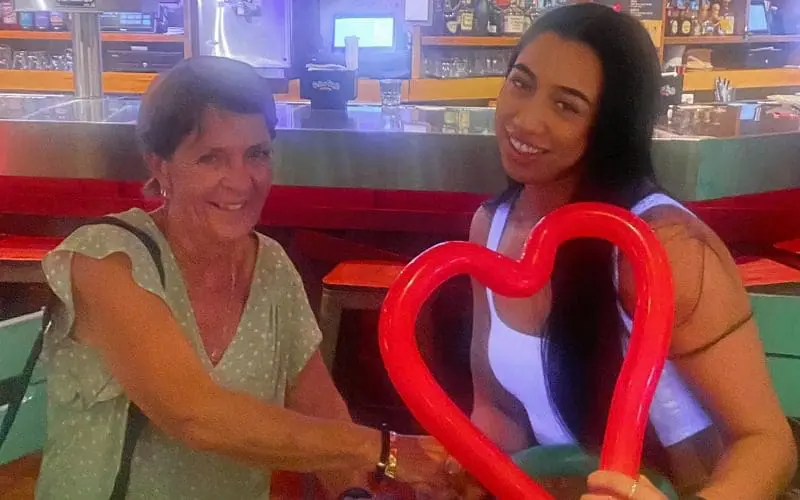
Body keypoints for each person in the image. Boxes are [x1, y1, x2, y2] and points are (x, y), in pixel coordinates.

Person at [34, 56, 450, 499]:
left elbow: (323, 413)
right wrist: (386, 449)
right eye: (211, 158)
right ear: (160, 166)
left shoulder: (271, 266)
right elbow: (195, 416)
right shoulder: (106, 259)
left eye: (257, 154)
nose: (241, 181)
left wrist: (361, 492)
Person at [465, 4, 797, 499]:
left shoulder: (662, 247)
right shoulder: (490, 229)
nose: (527, 119)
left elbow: (767, 443)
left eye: (567, 106)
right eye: (521, 82)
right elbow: (498, 411)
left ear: (610, 125)